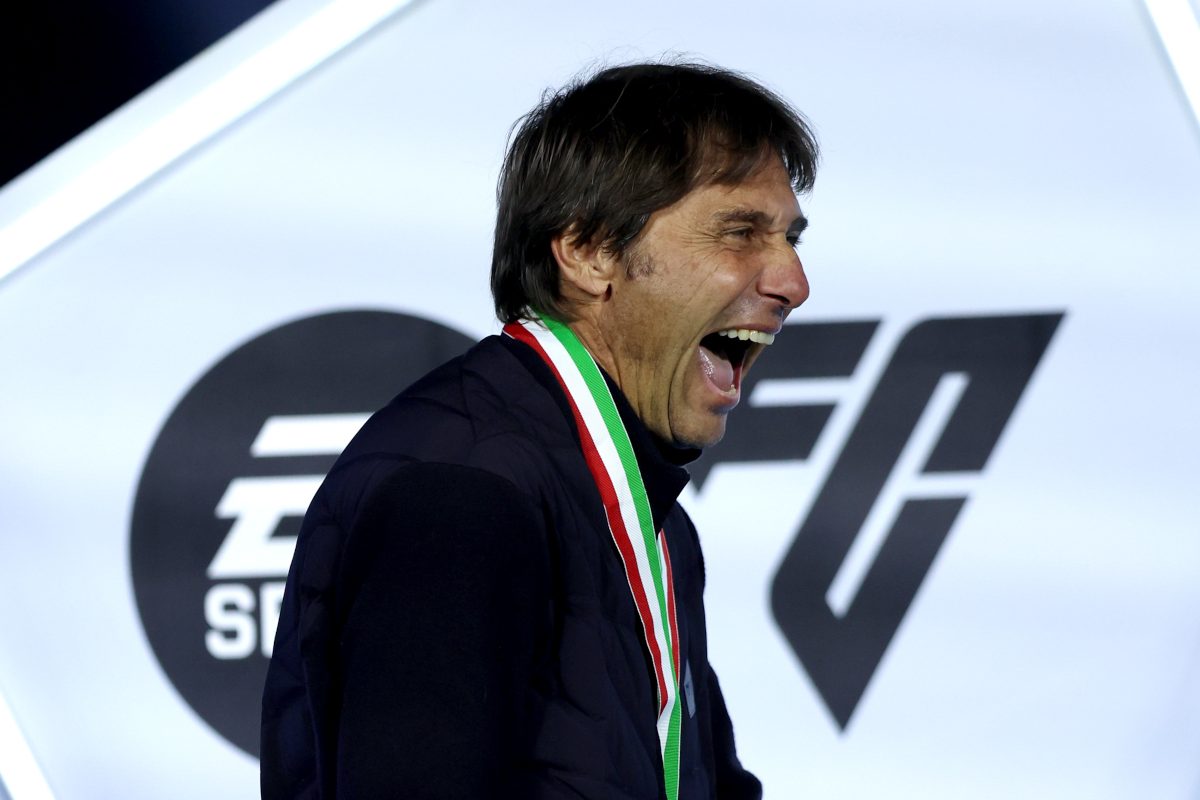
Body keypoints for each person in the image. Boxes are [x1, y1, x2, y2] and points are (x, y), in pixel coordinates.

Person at [260, 61, 818, 799]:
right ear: (587, 251)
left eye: (790, 238)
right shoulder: (462, 489)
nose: (792, 283)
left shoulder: (644, 517)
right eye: (741, 231)